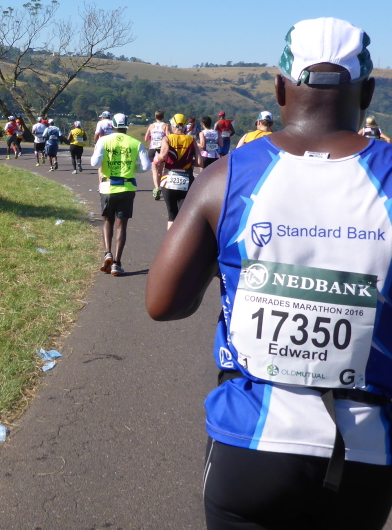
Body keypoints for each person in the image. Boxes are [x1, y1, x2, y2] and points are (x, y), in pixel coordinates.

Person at [146, 18, 392, 529]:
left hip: (251, 443)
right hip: (368, 450)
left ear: (279, 88)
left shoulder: (228, 174)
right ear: (367, 92)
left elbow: (163, 304)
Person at [91, 113, 151, 276]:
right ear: (127, 126)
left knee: (107, 221)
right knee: (121, 226)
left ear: (112, 125)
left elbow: (95, 163)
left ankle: (107, 253)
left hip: (107, 187)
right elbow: (146, 166)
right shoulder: (136, 143)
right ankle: (117, 263)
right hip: (127, 187)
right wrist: (132, 169)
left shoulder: (104, 141)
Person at [158, 113, 201, 229]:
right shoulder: (191, 140)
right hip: (187, 178)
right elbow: (199, 162)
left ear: (173, 125)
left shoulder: (167, 138)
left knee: (172, 215)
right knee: (183, 216)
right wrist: (188, 162)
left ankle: (171, 239)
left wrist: (157, 159)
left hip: (168, 178)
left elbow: (163, 156)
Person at [145, 110, 170, 200]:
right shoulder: (165, 126)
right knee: (160, 171)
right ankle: (159, 187)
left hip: (152, 149)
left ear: (155, 117)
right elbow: (169, 137)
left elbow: (146, 138)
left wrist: (152, 137)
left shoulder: (151, 126)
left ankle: (156, 188)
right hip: (161, 149)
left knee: (154, 171)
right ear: (163, 117)